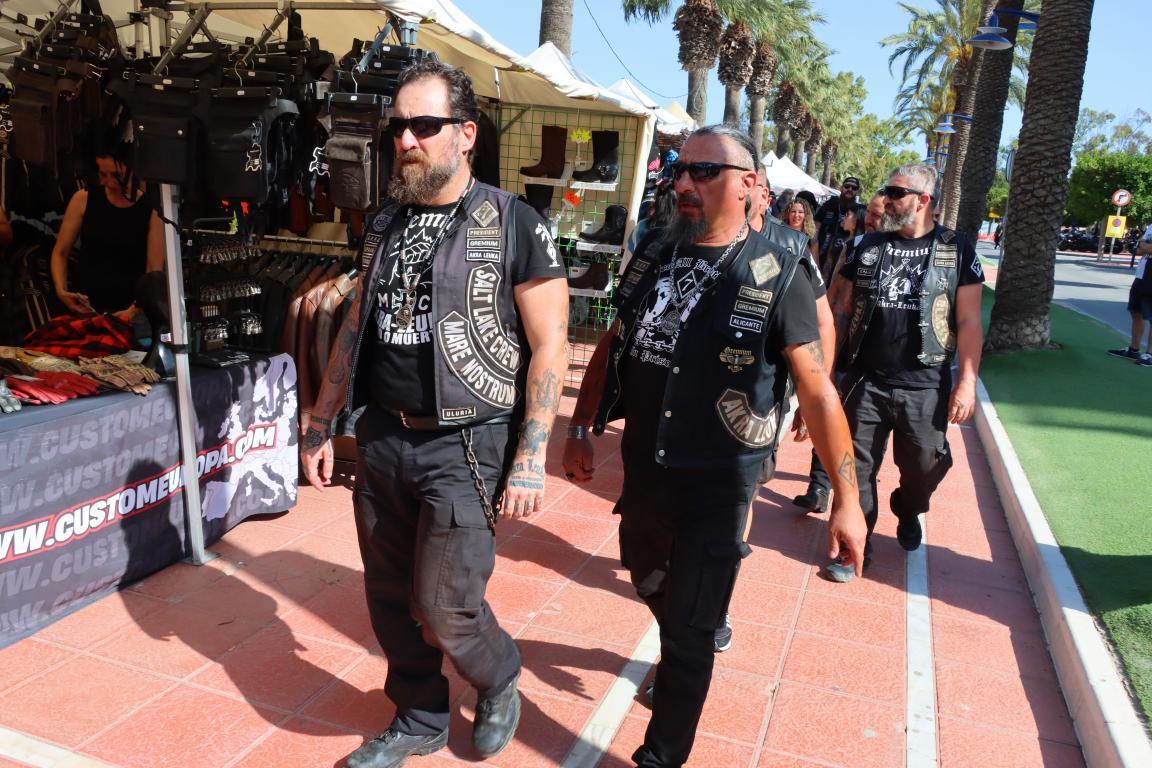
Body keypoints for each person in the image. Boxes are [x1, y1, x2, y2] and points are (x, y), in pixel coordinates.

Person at [562, 124, 866, 768]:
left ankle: (662, 751)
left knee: (693, 631)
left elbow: (817, 387)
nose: (684, 183)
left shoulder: (780, 271)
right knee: (647, 576)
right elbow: (616, 341)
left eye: (704, 171)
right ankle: (683, 639)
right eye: (680, 169)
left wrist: (847, 497)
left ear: (749, 183)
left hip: (722, 477)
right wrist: (581, 425)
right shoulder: (653, 251)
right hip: (647, 468)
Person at [300, 60, 569, 768]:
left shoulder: (514, 222)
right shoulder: (385, 221)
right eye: (398, 127)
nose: (406, 140)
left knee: (447, 602)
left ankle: (498, 674)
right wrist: (322, 421)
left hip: (468, 442)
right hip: (382, 435)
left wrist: (531, 458)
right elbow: (356, 322)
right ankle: (419, 715)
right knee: (390, 595)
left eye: (424, 125)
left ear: (465, 134)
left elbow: (551, 343)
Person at [825, 164, 984, 582]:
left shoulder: (956, 249)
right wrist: (826, 374)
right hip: (866, 379)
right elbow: (839, 310)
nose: (886, 200)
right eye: (886, 191)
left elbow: (969, 321)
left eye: (896, 193)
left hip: (926, 385)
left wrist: (967, 383)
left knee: (926, 466)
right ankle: (854, 548)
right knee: (856, 469)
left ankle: (909, 508)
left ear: (923, 200)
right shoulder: (866, 246)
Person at [793, 192, 885, 514]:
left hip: (881, 364)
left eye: (878, 215)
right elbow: (834, 302)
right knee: (830, 413)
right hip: (847, 350)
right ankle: (819, 486)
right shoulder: (855, 246)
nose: (869, 220)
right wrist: (826, 361)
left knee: (867, 439)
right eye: (868, 213)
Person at [50, 143, 165, 315]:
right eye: (103, 174)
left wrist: (134, 310)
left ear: (132, 170)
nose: (109, 182)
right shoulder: (83, 198)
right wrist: (61, 290)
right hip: (85, 305)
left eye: (116, 175)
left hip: (130, 309)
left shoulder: (152, 209)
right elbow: (60, 252)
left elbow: (153, 270)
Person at [1111, 225, 1152, 365]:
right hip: (1141, 275)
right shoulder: (1151, 227)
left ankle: (1150, 354)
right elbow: (1139, 249)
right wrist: (1145, 245)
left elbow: (1145, 247)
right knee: (1136, 311)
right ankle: (1134, 350)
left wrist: (1145, 245)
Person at [813, 176, 861, 276]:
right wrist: (814, 249)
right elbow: (815, 227)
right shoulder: (829, 204)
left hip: (841, 261)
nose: (850, 189)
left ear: (857, 191)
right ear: (841, 188)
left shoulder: (858, 211)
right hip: (820, 254)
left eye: (854, 188)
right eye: (847, 186)